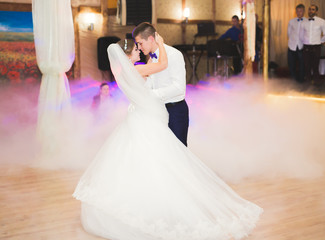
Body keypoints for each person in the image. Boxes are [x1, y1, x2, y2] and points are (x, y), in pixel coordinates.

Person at [73, 33, 263, 240]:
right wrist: (161, 44)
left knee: (147, 162)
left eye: (140, 46)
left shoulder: (125, 69)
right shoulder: (136, 68)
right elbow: (162, 64)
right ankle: (165, 205)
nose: (140, 50)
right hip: (146, 120)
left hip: (142, 117)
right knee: (163, 162)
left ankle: (155, 202)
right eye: (136, 49)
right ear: (128, 54)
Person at [132, 22, 189, 146]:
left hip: (175, 110)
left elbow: (179, 88)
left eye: (140, 43)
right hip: (157, 111)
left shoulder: (174, 55)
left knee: (178, 151)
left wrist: (151, 95)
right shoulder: (152, 58)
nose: (139, 48)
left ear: (151, 39)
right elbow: (153, 81)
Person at [300, 4, 325, 84]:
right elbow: (301, 35)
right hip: (306, 47)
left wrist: (319, 41)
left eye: (313, 9)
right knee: (307, 67)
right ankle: (308, 84)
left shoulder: (322, 21)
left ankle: (317, 85)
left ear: (316, 11)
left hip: (316, 47)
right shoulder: (303, 22)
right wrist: (304, 42)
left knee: (315, 67)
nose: (311, 11)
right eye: (309, 9)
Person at [287, 4, 306, 83]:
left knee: (302, 65)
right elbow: (288, 33)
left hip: (302, 46)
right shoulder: (291, 21)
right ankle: (293, 80)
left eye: (300, 11)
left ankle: (301, 81)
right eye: (297, 11)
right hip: (292, 45)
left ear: (303, 11)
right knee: (291, 64)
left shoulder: (307, 21)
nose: (299, 13)